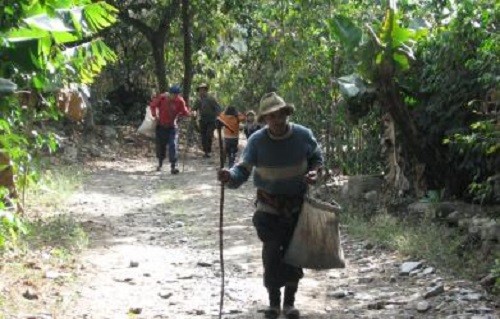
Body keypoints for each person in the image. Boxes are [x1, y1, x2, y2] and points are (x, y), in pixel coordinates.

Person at [217, 92, 323, 319]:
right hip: (269, 207)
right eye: (271, 117)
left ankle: (290, 304)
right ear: (264, 119)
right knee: (272, 253)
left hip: (297, 205)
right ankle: (274, 303)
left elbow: (316, 157)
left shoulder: (303, 135)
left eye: (280, 115)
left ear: (286, 114)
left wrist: (315, 172)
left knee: (295, 254)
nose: (277, 120)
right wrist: (229, 176)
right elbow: (242, 170)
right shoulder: (257, 141)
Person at [150, 85, 190, 174]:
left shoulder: (180, 101)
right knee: (160, 146)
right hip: (161, 126)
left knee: (173, 145)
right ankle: (160, 163)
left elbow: (185, 111)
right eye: (173, 94)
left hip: (172, 127)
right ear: (170, 93)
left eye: (176, 94)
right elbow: (152, 105)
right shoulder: (162, 98)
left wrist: (191, 114)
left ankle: (173, 166)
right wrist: (154, 115)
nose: (175, 96)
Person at [192, 83, 221, 158]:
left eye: (203, 90)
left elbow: (217, 108)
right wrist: (194, 113)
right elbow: (194, 108)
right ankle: (205, 152)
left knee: (209, 135)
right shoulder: (198, 100)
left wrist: (218, 116)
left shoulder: (211, 99)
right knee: (203, 136)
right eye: (200, 90)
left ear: (206, 90)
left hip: (211, 120)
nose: (201, 92)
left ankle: (208, 151)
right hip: (202, 120)